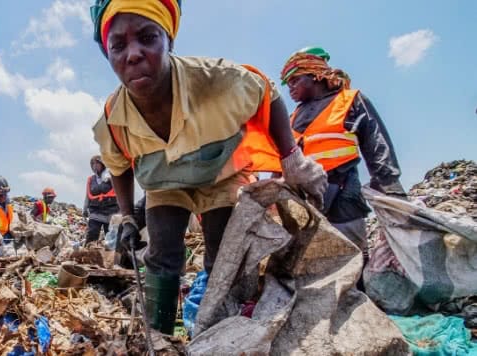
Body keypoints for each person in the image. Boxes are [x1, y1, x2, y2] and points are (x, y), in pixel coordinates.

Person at [89, 0, 327, 334]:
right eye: (118, 45)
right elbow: (118, 167)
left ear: (168, 40)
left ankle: (217, 336)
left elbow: (267, 94)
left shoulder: (217, 81)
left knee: (222, 261)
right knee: (162, 255)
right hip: (164, 183)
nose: (133, 54)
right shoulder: (113, 119)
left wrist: (292, 159)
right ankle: (159, 336)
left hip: (221, 174)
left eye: (148, 38)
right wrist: (128, 217)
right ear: (109, 55)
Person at [278, 46, 406, 258]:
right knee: (310, 261)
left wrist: (389, 184)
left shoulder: (348, 99)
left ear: (316, 75)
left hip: (343, 192)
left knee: (351, 256)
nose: (290, 88)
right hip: (304, 200)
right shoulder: (293, 116)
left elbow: (376, 142)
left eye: (295, 80)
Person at [83, 155, 120, 245]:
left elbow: (119, 192)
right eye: (92, 164)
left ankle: (110, 256)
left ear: (103, 164)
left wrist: (121, 209)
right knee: (92, 233)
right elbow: (87, 195)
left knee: (110, 236)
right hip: (96, 211)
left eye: (97, 163)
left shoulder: (111, 176)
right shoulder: (91, 179)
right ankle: (88, 252)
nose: (94, 166)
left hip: (111, 211)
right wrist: (85, 209)